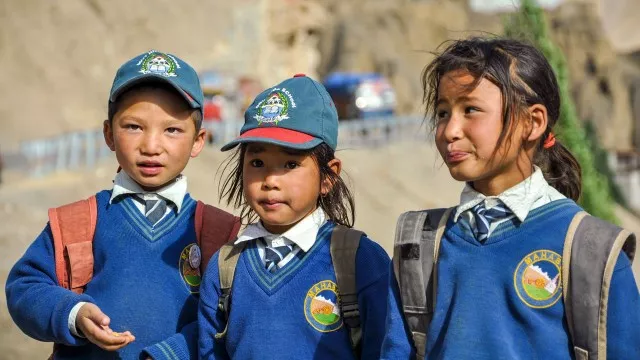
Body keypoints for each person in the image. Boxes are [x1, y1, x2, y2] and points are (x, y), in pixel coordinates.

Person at [380, 37, 640, 359]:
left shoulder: (593, 251)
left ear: (533, 123)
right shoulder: (418, 246)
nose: (449, 131)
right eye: (443, 112)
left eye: (471, 109)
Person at [6, 50, 238, 359]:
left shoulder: (217, 232)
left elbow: (234, 314)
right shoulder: (78, 222)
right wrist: (74, 314)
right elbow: (24, 288)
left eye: (171, 130)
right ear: (109, 134)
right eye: (134, 127)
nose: (151, 146)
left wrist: (174, 352)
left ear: (198, 140)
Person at [198, 74, 394, 359]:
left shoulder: (360, 261)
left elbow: (388, 350)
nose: (270, 180)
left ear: (329, 177)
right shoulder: (226, 267)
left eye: (290, 163)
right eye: (257, 163)